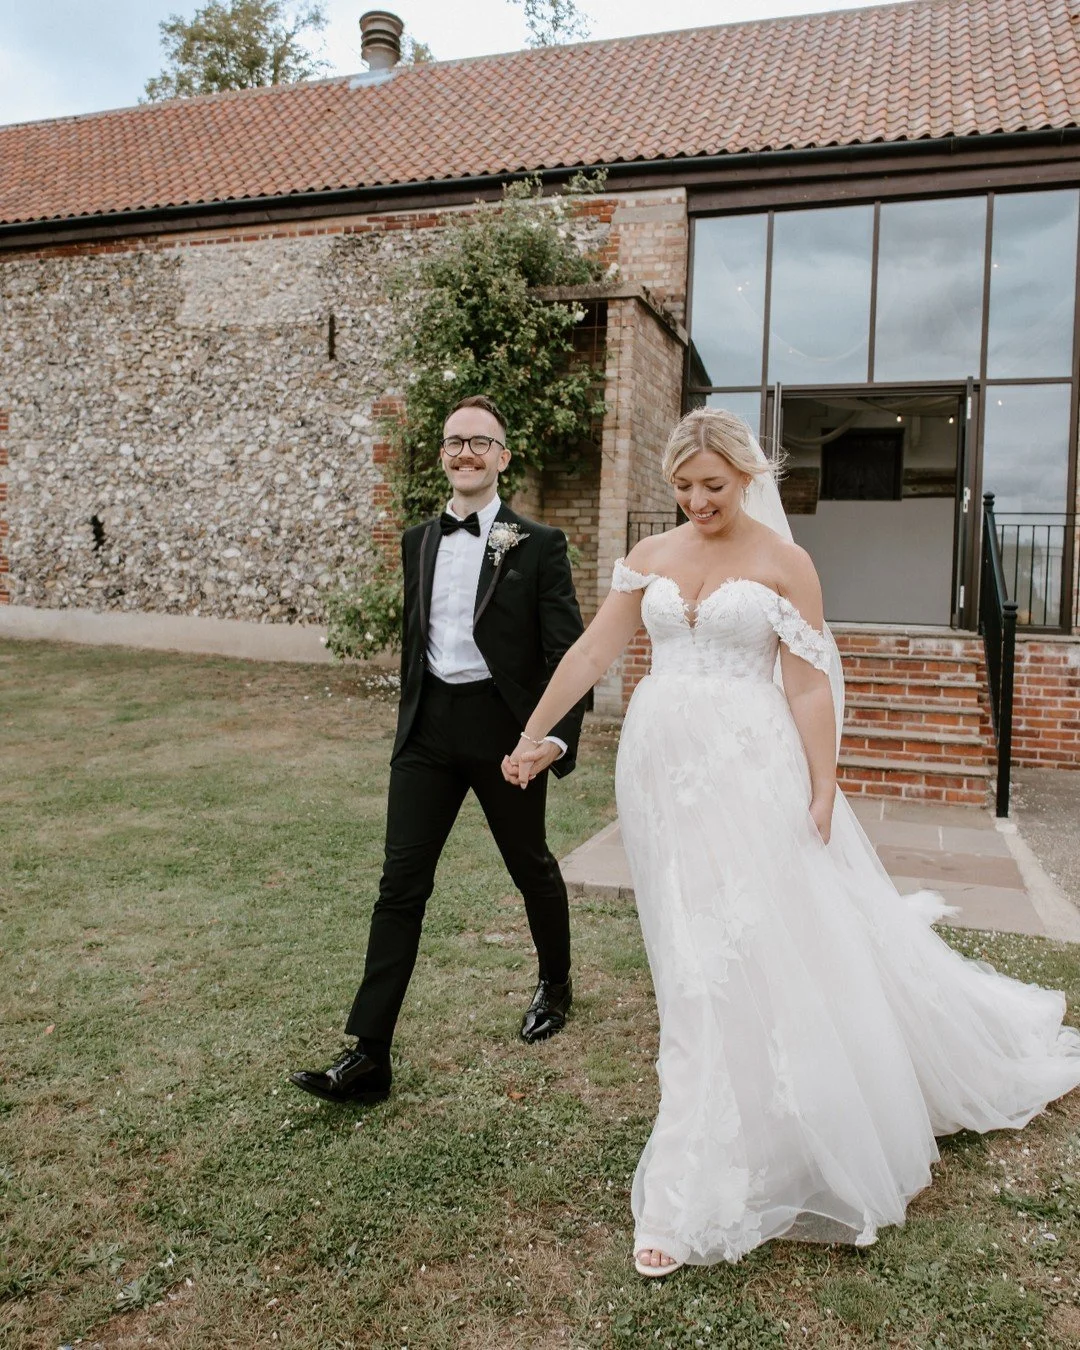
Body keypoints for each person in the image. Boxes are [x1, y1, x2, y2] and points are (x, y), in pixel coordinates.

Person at [504, 407, 1080, 1277]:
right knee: (685, 950)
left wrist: (822, 785)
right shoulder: (651, 559)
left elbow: (809, 686)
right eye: (686, 487)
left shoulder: (786, 563)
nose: (699, 501)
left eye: (715, 486)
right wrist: (535, 732)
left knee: (745, 947)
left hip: (752, 770)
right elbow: (592, 652)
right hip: (661, 775)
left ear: (747, 478)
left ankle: (698, 1179)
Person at [291, 395, 586, 1106]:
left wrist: (550, 738)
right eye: (454, 442)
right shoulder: (418, 540)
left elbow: (569, 654)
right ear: (442, 455)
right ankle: (368, 1055)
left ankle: (555, 983)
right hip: (428, 734)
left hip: (503, 730)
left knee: (531, 866)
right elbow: (418, 640)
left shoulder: (538, 544)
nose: (465, 453)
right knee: (400, 887)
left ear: (502, 457)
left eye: (480, 442)